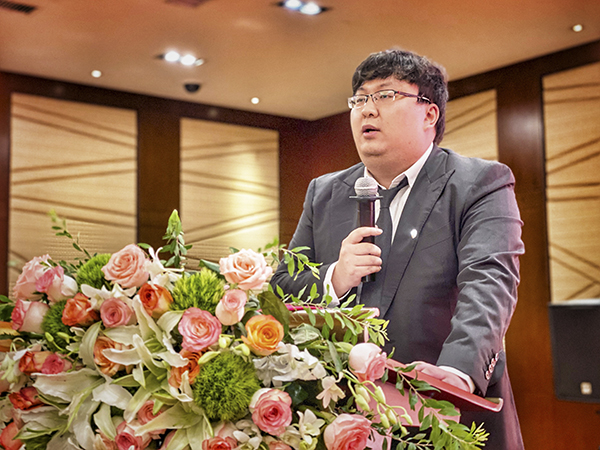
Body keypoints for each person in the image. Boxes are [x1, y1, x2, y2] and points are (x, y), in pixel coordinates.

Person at [271, 49, 525, 449]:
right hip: (342, 421)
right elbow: (281, 287)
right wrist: (334, 277)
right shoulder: (324, 193)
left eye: (385, 95)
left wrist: (456, 374)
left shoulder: (478, 183)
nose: (367, 110)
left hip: (445, 415)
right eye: (359, 99)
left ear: (429, 114)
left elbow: (489, 283)